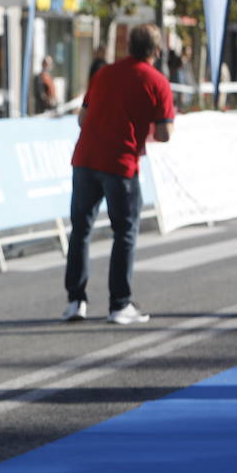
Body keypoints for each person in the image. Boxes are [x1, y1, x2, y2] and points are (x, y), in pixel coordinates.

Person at [61, 23, 174, 325]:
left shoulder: (104, 73)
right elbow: (165, 133)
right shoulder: (158, 82)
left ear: (127, 47)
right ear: (157, 50)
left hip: (85, 159)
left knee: (81, 230)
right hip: (121, 164)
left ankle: (75, 301)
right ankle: (119, 304)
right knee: (124, 232)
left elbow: (82, 118)